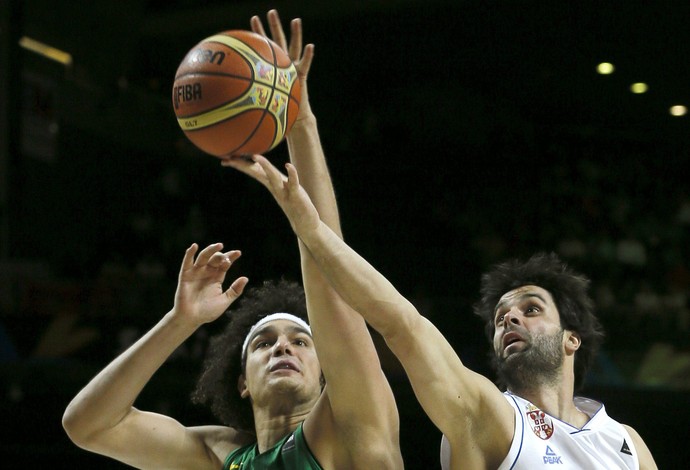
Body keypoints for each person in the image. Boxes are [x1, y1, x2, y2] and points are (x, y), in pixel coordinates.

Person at [62, 10, 403, 470]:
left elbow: (332, 281)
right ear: (242, 381)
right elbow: (87, 426)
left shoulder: (352, 430)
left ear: (327, 371)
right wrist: (179, 323)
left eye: (302, 341)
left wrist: (298, 120)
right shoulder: (221, 455)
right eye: (264, 343)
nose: (283, 347)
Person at [231, 154, 659, 469]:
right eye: (500, 318)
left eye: (531, 309)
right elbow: (402, 323)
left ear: (572, 338)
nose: (510, 318)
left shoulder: (624, 441)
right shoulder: (488, 414)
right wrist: (313, 234)